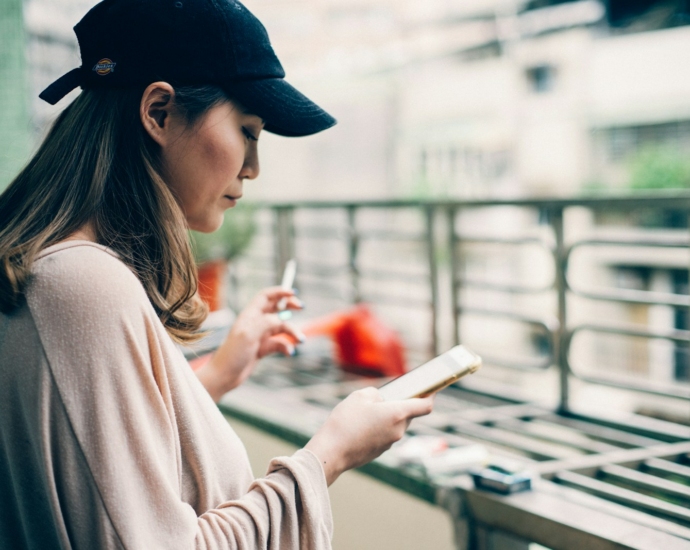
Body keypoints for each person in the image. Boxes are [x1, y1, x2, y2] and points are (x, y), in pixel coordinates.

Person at [0, 0, 434, 548]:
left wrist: (219, 373)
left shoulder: (51, 271)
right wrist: (329, 454)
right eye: (247, 131)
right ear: (158, 113)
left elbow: (99, 459)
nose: (253, 167)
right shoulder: (81, 285)